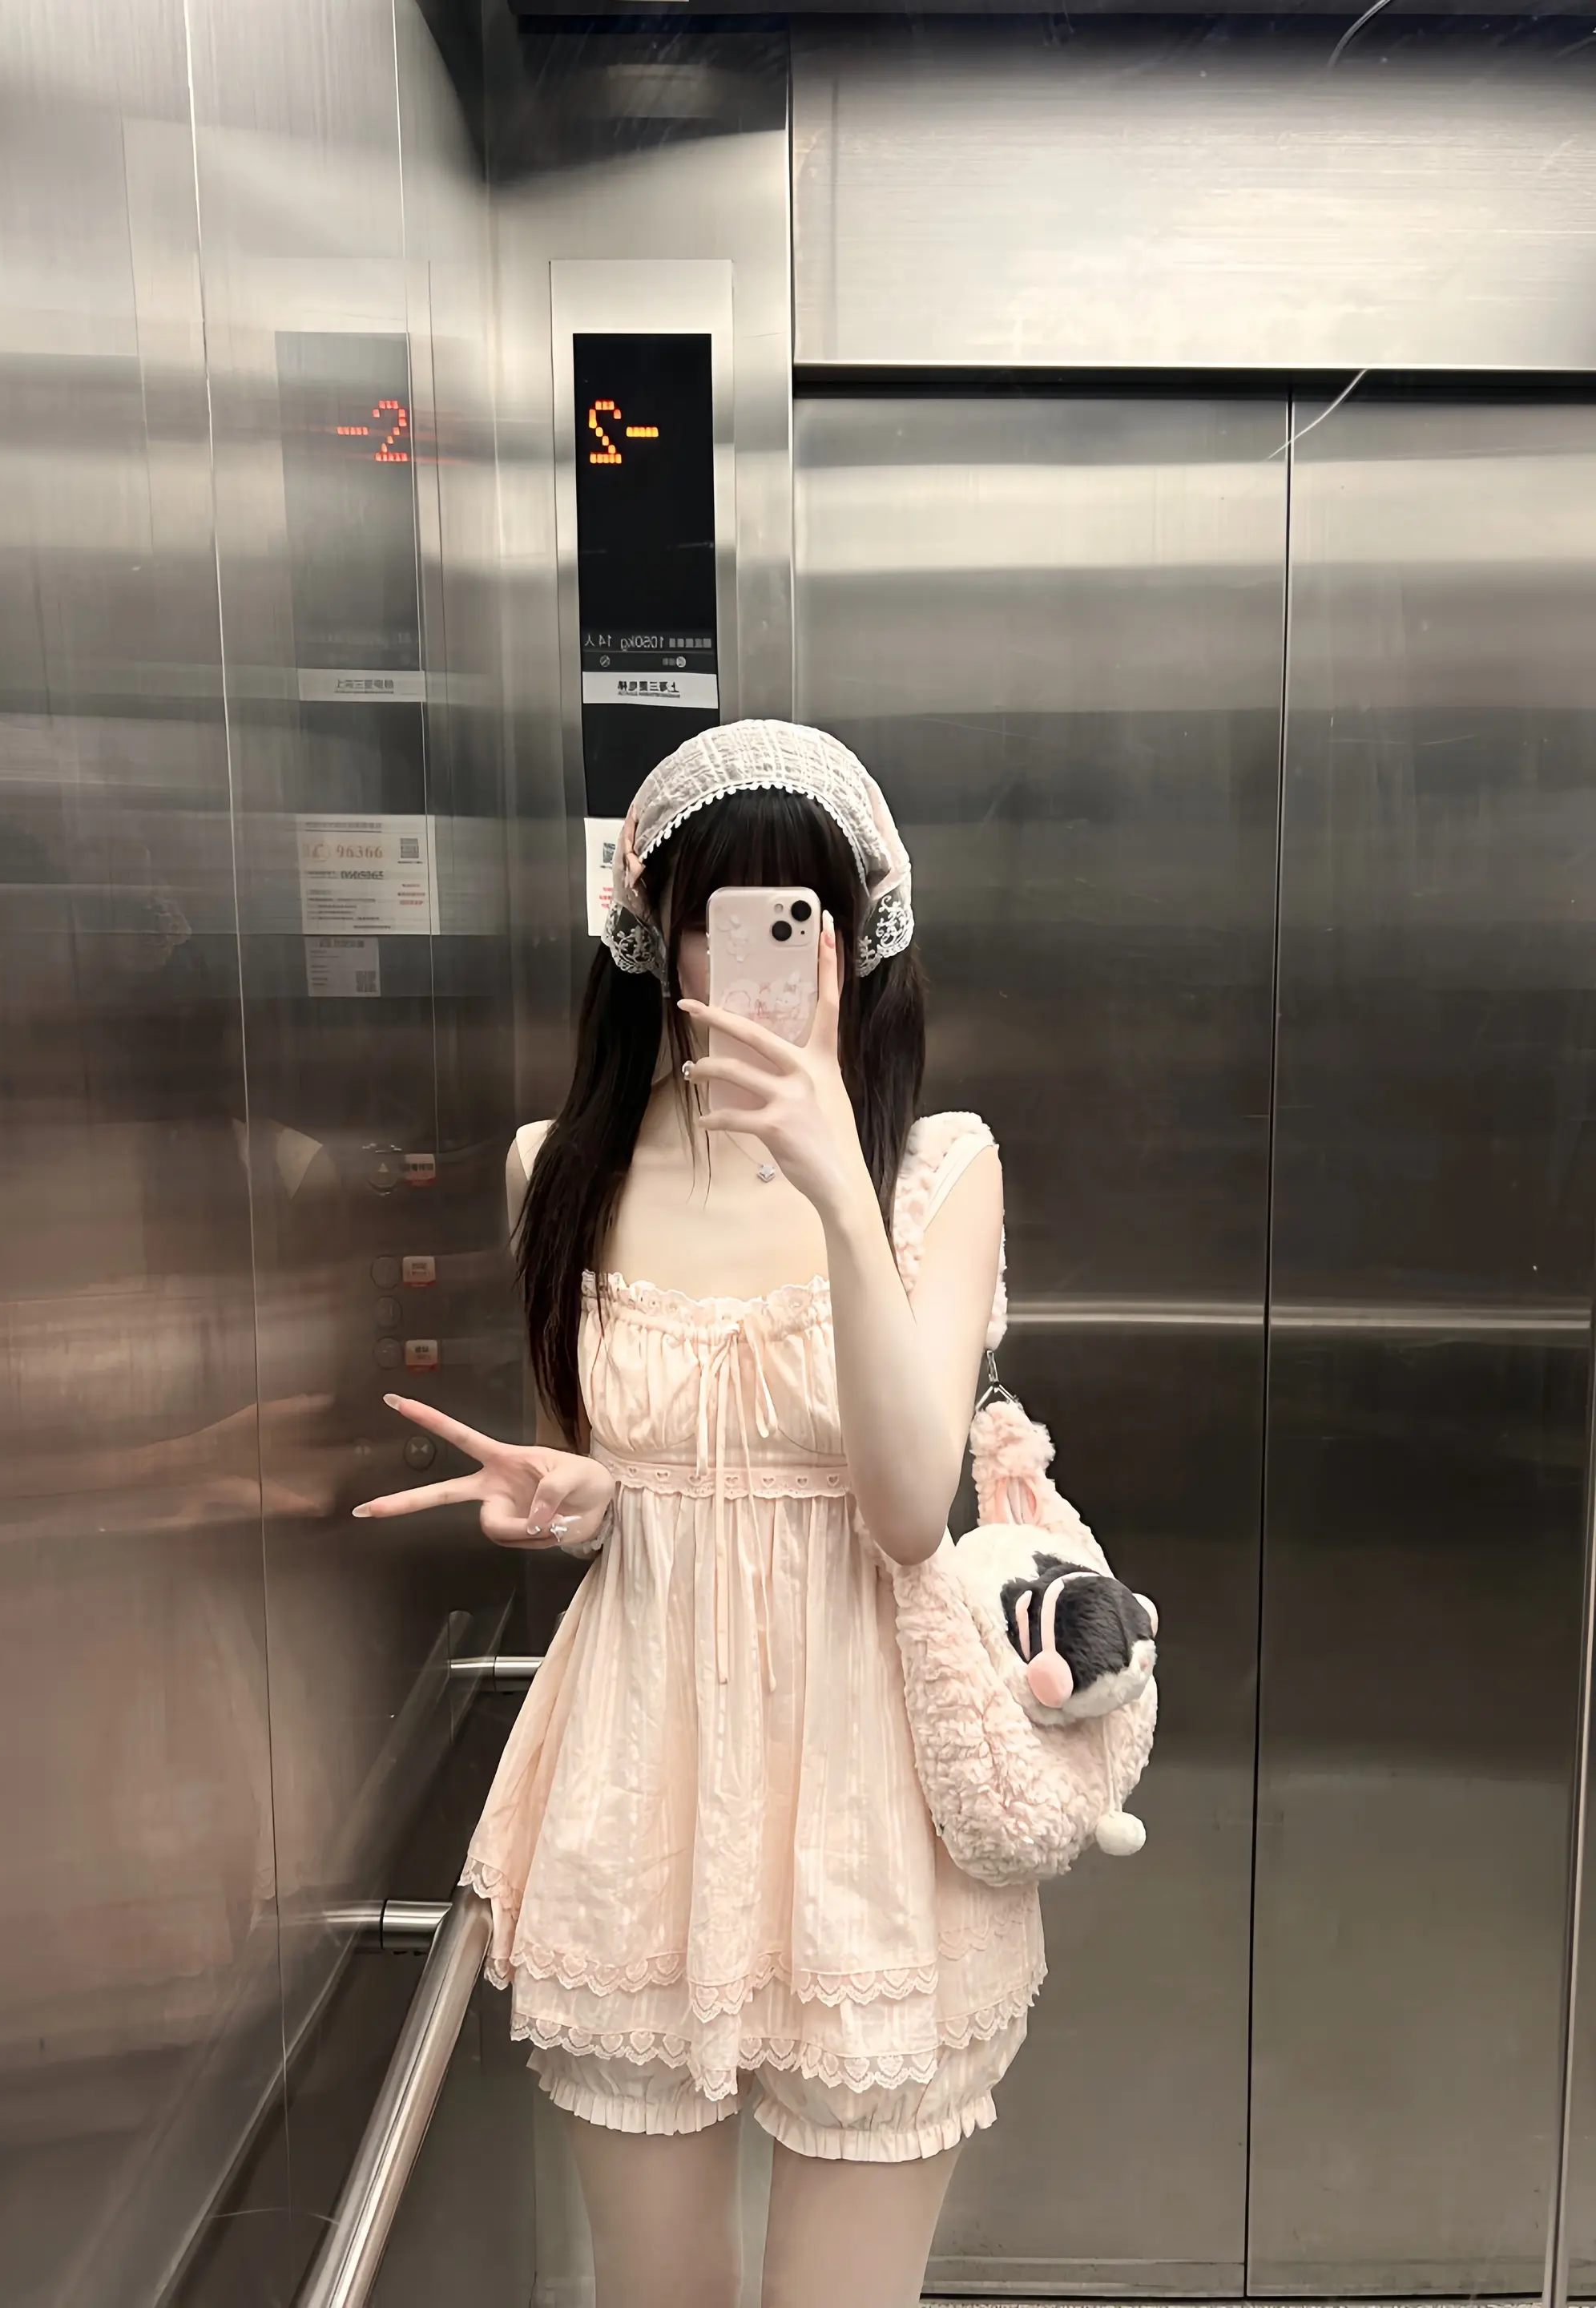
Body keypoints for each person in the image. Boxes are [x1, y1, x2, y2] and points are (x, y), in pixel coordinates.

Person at [355, 721, 1036, 2308]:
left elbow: (907, 1512)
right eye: (722, 916)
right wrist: (579, 1500)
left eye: (802, 916)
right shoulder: (557, 1168)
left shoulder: (938, 1170)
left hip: (873, 1805)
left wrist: (837, 1188)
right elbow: (598, 1470)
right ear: (653, 934)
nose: (758, 960)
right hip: (638, 1786)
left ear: (858, 936)